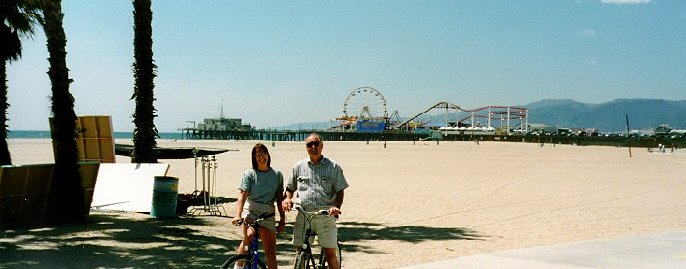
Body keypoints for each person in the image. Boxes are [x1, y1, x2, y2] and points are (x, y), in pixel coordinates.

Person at [282, 133, 348, 269]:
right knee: (299, 252)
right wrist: (287, 198)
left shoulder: (333, 166)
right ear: (306, 148)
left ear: (322, 146)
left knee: (330, 253)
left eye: (316, 144)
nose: (313, 147)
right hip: (304, 215)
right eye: (309, 145)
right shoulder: (298, 166)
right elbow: (289, 188)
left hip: (325, 216)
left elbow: (340, 190)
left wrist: (337, 206)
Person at [232, 143, 286, 269]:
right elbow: (242, 196)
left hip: (267, 213)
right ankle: (238, 267)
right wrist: (238, 215)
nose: (261, 157)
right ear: (254, 158)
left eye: (263, 153)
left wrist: (282, 218)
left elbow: (279, 199)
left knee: (270, 252)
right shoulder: (249, 174)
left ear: (268, 155)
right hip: (250, 210)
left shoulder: (277, 175)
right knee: (248, 238)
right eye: (257, 155)